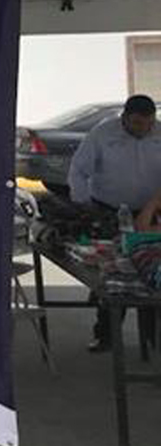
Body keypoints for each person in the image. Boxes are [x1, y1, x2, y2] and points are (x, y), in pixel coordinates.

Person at [68, 94, 161, 351]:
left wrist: (154, 205)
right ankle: (106, 336)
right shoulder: (102, 134)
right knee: (111, 273)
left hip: (150, 211)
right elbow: (78, 171)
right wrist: (84, 206)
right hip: (108, 210)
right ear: (124, 118)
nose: (143, 129)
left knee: (151, 271)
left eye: (149, 123)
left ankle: (152, 339)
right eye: (137, 123)